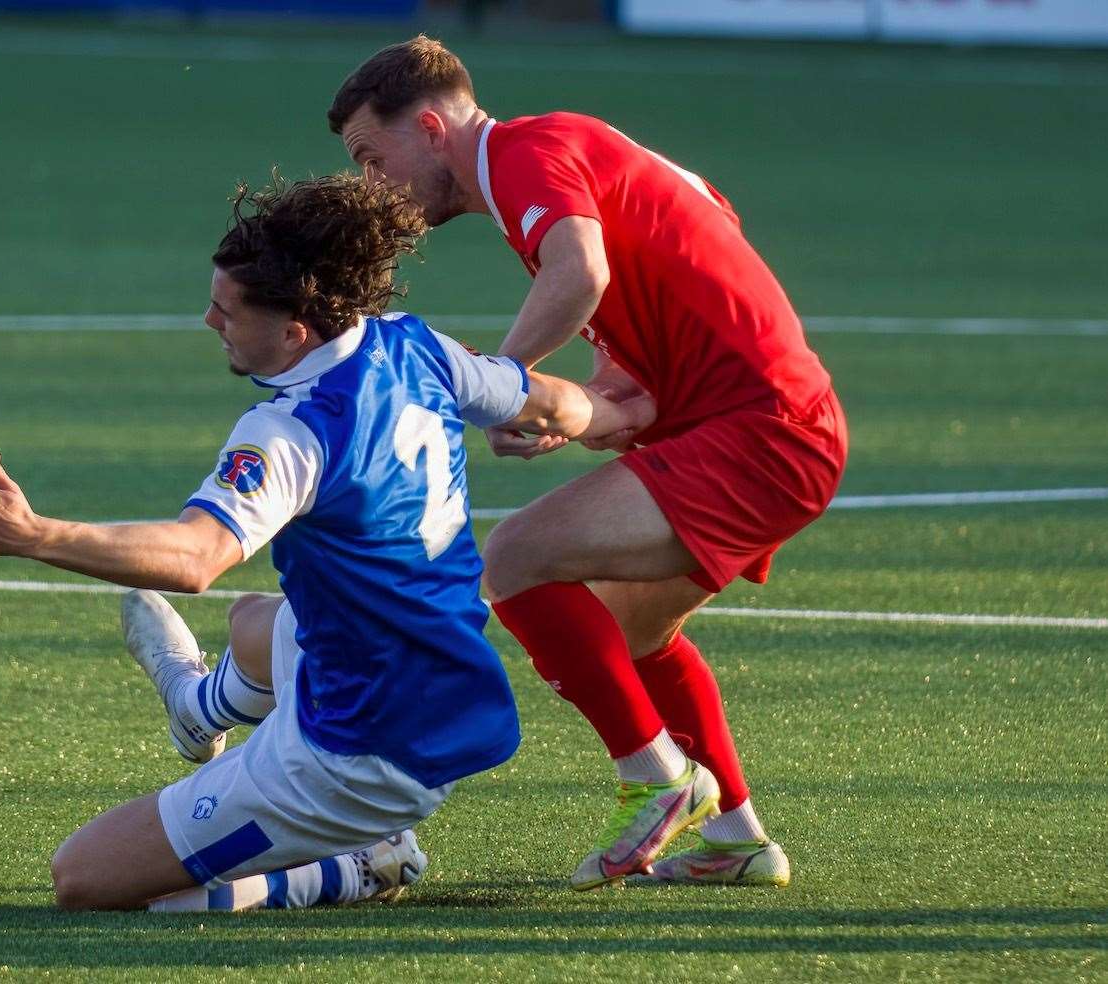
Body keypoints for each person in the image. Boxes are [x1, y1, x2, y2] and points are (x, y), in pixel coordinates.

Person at [0, 173, 655, 911]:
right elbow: (548, 398)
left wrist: (33, 534)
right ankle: (197, 709)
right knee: (257, 626)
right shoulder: (417, 348)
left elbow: (196, 556)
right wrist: (623, 412)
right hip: (452, 694)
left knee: (85, 879)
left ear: (294, 330)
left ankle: (361, 863)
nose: (210, 322)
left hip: (355, 758)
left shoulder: (291, 430)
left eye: (226, 310)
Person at [326, 36, 849, 889]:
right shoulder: (557, 149)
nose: (370, 186)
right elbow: (703, 219)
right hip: (758, 422)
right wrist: (625, 391)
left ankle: (657, 779)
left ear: (429, 127)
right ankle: (739, 841)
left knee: (518, 555)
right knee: (635, 633)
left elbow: (582, 274)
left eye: (370, 158)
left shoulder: (525, 154)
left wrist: (495, 385)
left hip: (763, 432)